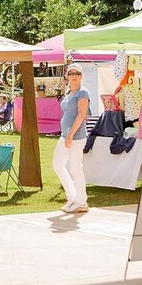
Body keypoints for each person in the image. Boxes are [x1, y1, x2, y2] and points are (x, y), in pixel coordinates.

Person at [54, 64, 90, 213]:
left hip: (76, 136)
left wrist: (70, 135)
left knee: (76, 168)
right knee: (57, 164)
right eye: (71, 73)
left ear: (81, 76)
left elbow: (81, 114)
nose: (74, 76)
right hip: (65, 135)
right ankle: (72, 196)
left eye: (77, 73)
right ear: (67, 76)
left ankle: (81, 201)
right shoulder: (69, 92)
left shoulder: (83, 93)